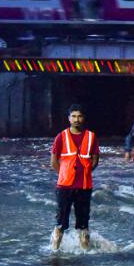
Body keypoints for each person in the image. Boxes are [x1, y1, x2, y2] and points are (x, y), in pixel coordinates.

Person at [50, 104, 100, 250]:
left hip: (84, 186)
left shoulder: (91, 137)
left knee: (84, 224)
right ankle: (54, 253)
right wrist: (64, 174)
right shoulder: (61, 136)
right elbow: (53, 161)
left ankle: (85, 255)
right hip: (64, 186)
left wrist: (85, 173)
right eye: (73, 116)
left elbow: (95, 159)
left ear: (83, 118)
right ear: (69, 118)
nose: (76, 119)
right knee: (60, 222)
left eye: (79, 116)